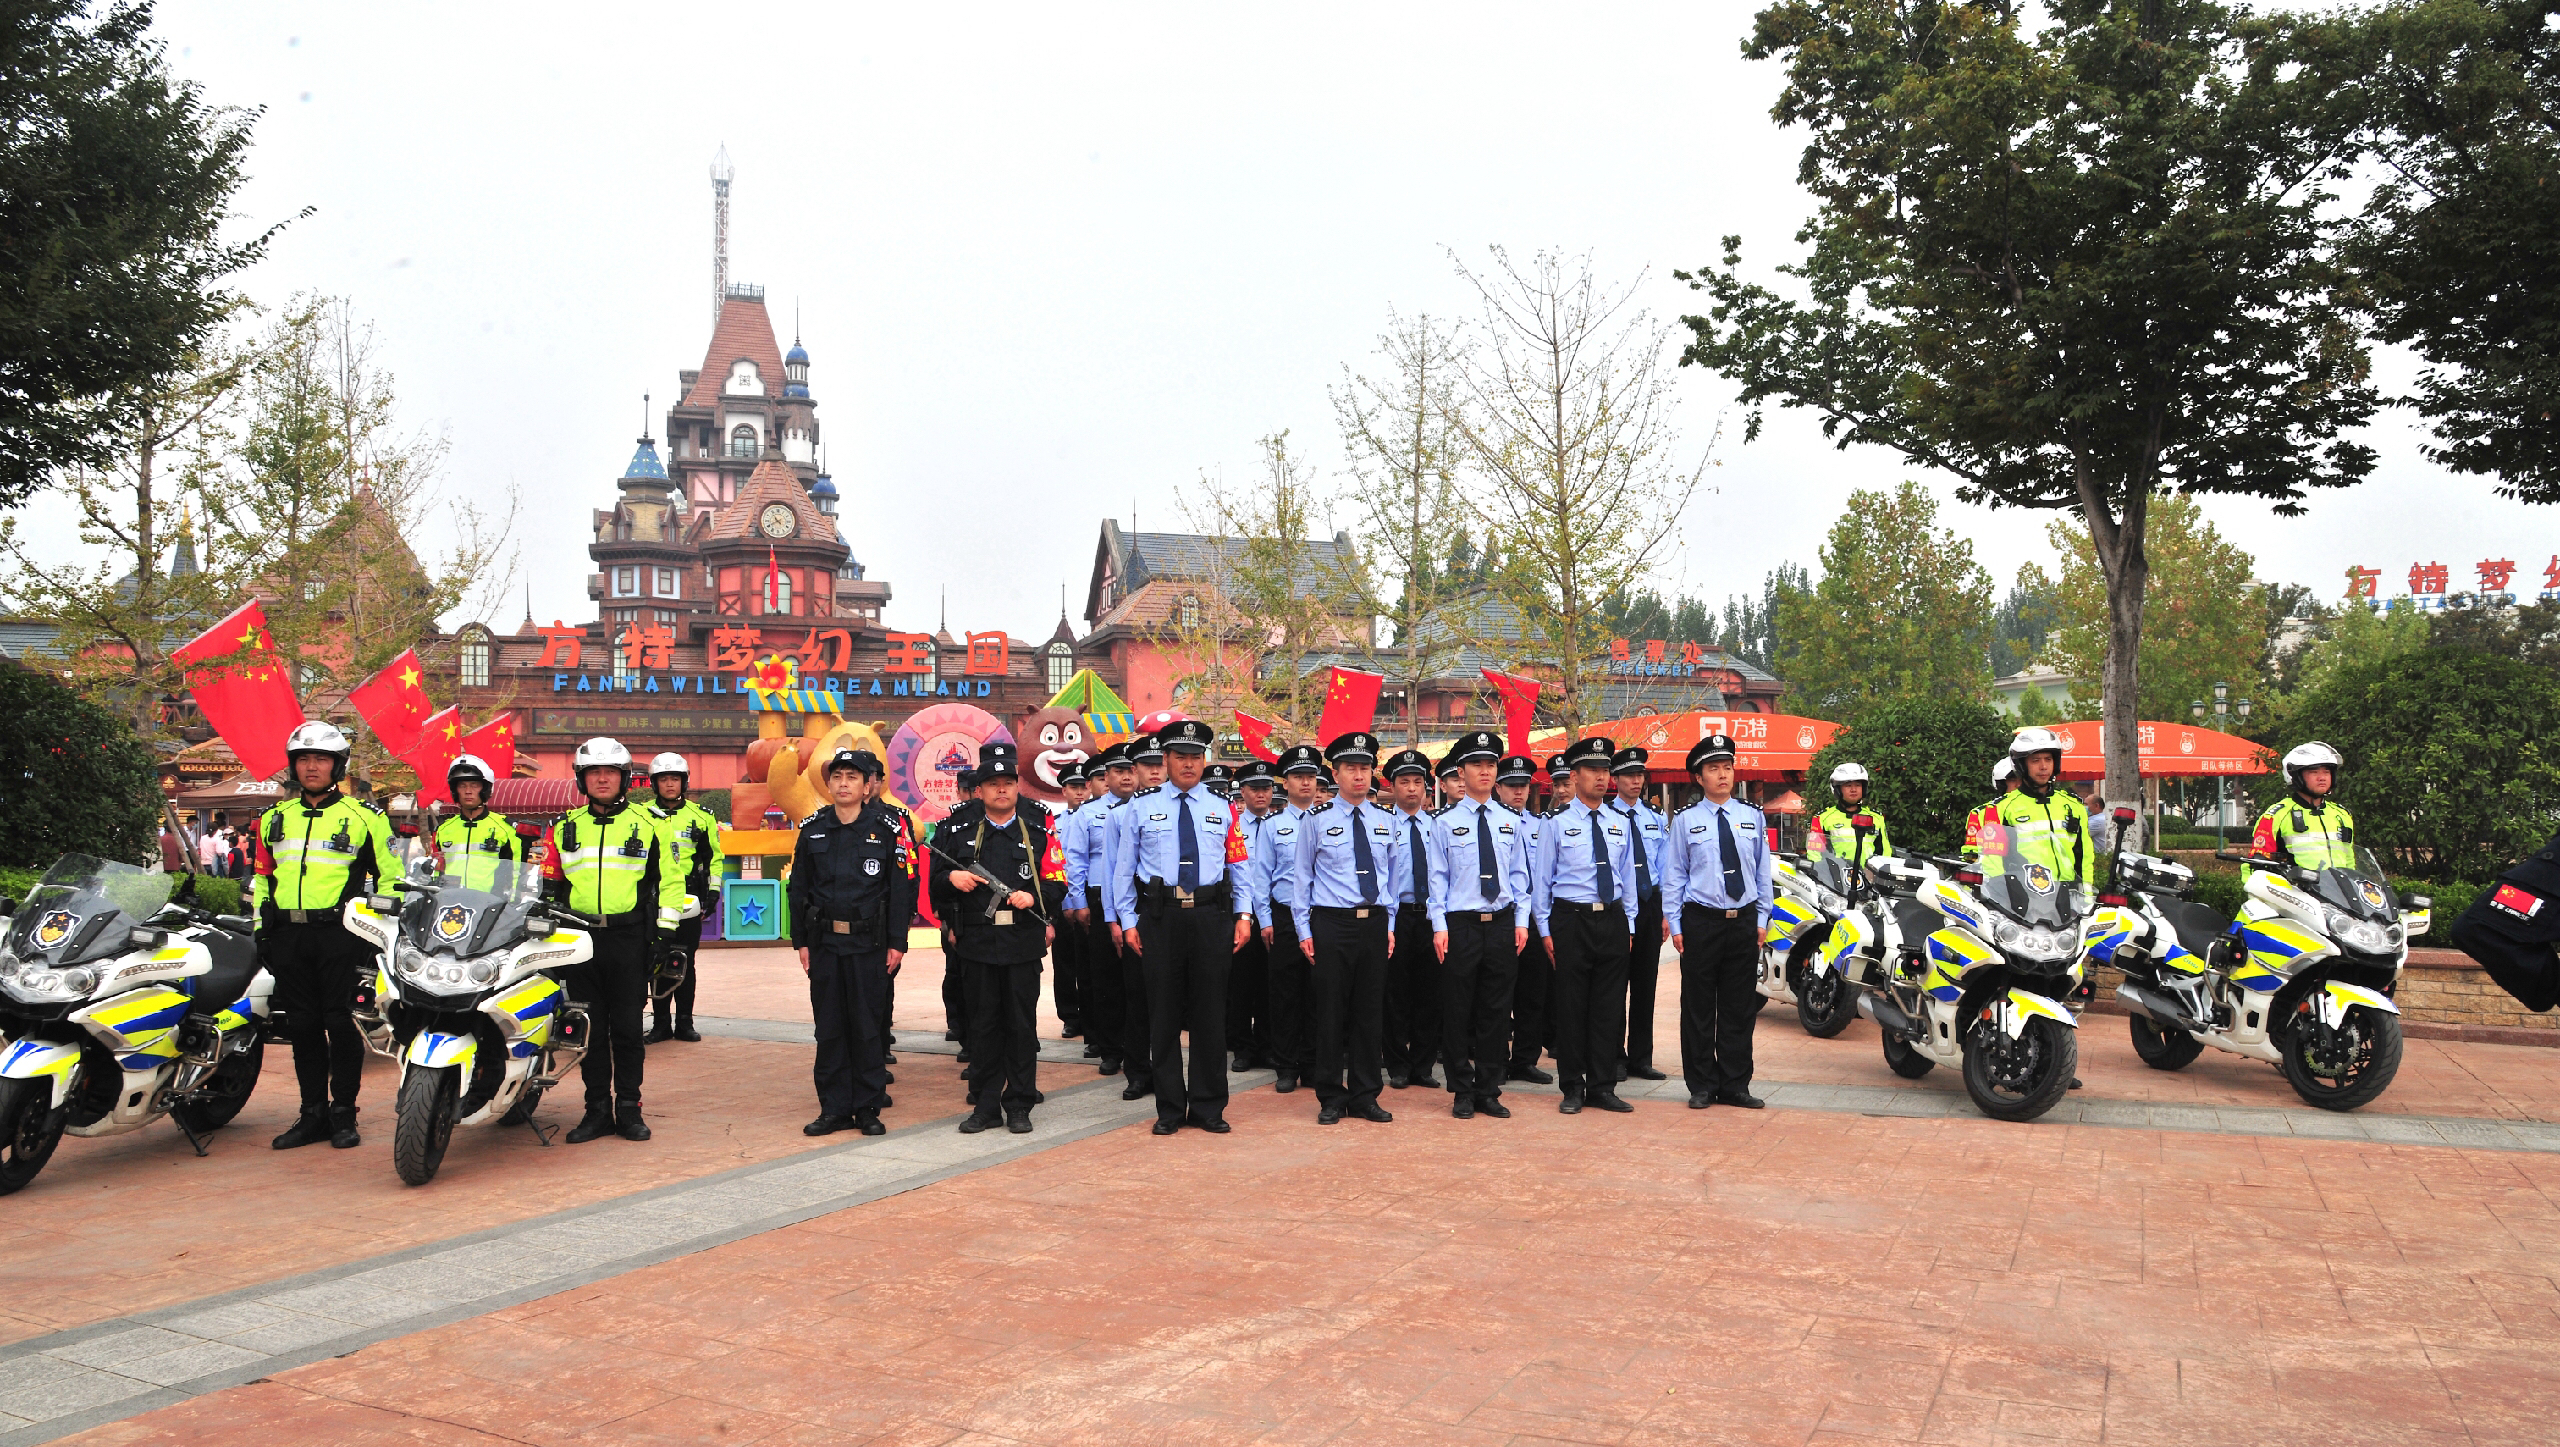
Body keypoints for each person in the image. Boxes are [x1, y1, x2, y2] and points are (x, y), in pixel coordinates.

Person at [253, 720, 395, 1150]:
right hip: (288, 937)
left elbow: (392, 882)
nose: (311, 767)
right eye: (303, 759)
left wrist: (376, 936)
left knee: (341, 1024)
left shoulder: (365, 818)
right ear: (293, 767)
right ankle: (310, 1113)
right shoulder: (273, 819)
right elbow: (262, 879)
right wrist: (263, 930)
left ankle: (343, 1114)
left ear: (338, 767)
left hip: (341, 937)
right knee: (303, 1027)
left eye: (321, 760)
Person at [1110, 719, 1253, 1134]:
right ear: (1166, 760)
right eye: (1179, 757)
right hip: (1160, 917)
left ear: (1204, 760)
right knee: (1164, 1015)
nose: (1188, 765)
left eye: (1195, 757)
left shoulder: (1222, 807)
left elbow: (1239, 865)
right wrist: (1127, 920)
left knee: (1211, 1014)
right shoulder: (1141, 806)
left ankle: (1209, 1107)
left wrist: (1243, 916)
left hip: (1211, 915)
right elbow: (1124, 870)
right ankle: (1170, 1109)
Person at [544, 737, 684, 1143]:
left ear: (624, 779)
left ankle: (629, 1109)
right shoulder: (564, 827)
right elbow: (551, 887)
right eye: (594, 773)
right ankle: (596, 1112)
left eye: (609, 773)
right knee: (589, 1028)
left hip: (629, 940)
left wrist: (664, 934)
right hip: (580, 941)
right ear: (581, 780)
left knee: (625, 1030)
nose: (602, 779)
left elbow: (671, 884)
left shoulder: (651, 824)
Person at [787, 748, 912, 1137]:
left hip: (869, 946)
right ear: (828, 784)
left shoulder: (888, 830)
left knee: (867, 1027)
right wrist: (801, 942)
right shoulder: (813, 830)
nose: (844, 783)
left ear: (867, 784)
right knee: (829, 1028)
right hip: (825, 944)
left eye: (852, 777)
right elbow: (799, 889)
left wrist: (897, 942)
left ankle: (868, 1108)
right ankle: (834, 1109)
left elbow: (900, 890)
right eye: (837, 776)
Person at [937, 744, 1058, 1134]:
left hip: (1022, 942)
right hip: (977, 943)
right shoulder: (960, 831)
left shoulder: (1039, 829)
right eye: (993, 784)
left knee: (1021, 1027)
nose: (1001, 790)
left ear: (1017, 786)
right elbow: (934, 881)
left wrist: (1034, 898)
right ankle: (985, 1105)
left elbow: (1058, 880)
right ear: (981, 789)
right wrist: (951, 878)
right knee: (983, 1026)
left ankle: (1019, 1104)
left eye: (1008, 783)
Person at [1290, 731, 1406, 1125]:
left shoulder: (1385, 821)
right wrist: (1303, 930)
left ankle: (1365, 1094)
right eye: (1351, 769)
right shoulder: (1316, 820)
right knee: (1331, 1012)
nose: (1359, 776)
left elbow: (1391, 880)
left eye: (1365, 768)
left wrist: (1389, 924)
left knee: (1370, 1012)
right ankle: (1330, 1096)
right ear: (1335, 774)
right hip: (1331, 923)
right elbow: (1301, 879)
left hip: (1373, 923)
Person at [1661, 733, 1776, 1110]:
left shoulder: (1752, 816)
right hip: (1701, 921)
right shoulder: (1685, 821)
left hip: (1742, 920)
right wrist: (1676, 926)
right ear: (1699, 777)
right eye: (1714, 769)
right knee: (1697, 1006)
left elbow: (1762, 872)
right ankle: (1701, 1084)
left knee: (1739, 1006)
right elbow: (1674, 875)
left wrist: (1761, 917)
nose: (1723, 775)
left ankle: (1735, 1084)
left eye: (1727, 767)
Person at [1533, 737, 1638, 1115]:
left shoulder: (1619, 823)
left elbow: (1627, 878)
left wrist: (1628, 925)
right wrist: (1545, 931)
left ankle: (1603, 1086)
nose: (1601, 777)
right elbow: (1542, 883)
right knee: (1572, 1007)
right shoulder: (1556, 824)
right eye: (1592, 770)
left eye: (1604, 770)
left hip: (1610, 919)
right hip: (1570, 920)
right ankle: (1572, 1088)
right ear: (1574, 776)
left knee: (1608, 1007)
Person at [1430, 731, 1529, 1120]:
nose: (1485, 772)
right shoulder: (1444, 823)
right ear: (1462, 772)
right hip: (1461, 924)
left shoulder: (1511, 822)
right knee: (1458, 1009)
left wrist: (1521, 922)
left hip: (1502, 923)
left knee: (1496, 1008)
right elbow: (1437, 879)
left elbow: (1520, 878)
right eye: (1477, 765)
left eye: (1491, 765)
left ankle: (1489, 1088)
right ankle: (1461, 1089)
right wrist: (1439, 925)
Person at [1102, 731, 1168, 1102]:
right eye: (1147, 765)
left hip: (1173, 911)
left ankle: (1166, 1069)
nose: (1155, 771)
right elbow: (1115, 871)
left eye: (1160, 764)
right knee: (1138, 997)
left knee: (1170, 998)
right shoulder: (1120, 815)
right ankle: (1138, 1072)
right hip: (1138, 910)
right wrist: (1116, 920)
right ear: (1135, 769)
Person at [641, 752, 722, 1044]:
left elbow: (714, 858)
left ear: (684, 782)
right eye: (664, 779)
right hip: (653, 898)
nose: (670, 784)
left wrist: (713, 894)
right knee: (657, 960)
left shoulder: (702, 817)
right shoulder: (642, 815)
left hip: (689, 898)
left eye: (675, 778)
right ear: (654, 783)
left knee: (686, 961)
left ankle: (685, 1022)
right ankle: (661, 1023)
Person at [1066, 743, 1135, 1076]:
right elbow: (1076, 860)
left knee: (1137, 977)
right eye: (1118, 771)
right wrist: (1077, 902)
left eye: (1128, 770)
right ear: (1106, 777)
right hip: (1098, 898)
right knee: (1105, 977)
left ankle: (1138, 1045)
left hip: (1139, 898)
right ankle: (1110, 1048)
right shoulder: (1087, 813)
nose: (1124, 776)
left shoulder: (1148, 807)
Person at [1258, 745, 1323, 1093]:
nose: (1306, 784)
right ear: (1285, 783)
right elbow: (1261, 876)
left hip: (1320, 917)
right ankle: (1286, 1066)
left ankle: (1312, 1064)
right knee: (1285, 994)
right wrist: (1265, 919)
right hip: (1283, 917)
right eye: (1298, 777)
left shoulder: (1328, 820)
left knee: (1317, 993)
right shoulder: (1273, 825)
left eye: (1311, 777)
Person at [1380, 747, 1443, 1091]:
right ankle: (1397, 1065)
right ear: (1393, 786)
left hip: (1431, 917)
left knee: (1429, 993)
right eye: (1404, 782)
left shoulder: (1438, 825)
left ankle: (1423, 1065)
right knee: (1395, 993)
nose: (1412, 789)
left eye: (1418, 782)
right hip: (1397, 917)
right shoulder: (1383, 824)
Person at [1610, 747, 1672, 1084]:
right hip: (1620, 907)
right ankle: (1614, 1056)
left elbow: (1663, 866)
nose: (1636, 781)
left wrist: (1664, 912)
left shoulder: (1655, 816)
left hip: (1649, 905)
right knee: (1616, 984)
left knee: (1646, 984)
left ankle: (1641, 1058)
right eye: (1629, 775)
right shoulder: (1606, 816)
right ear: (1615, 779)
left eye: (1640, 775)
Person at [1496, 754, 1555, 1086]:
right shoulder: (1490, 821)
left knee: (1533, 991)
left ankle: (1525, 1059)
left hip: (1535, 917)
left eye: (1523, 787)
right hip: (1503, 916)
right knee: (1500, 991)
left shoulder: (1540, 824)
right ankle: (1497, 1058)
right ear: (1499, 788)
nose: (1519, 793)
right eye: (1512, 786)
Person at [1978, 727, 2093, 884]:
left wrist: (2086, 900)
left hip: (2068, 899)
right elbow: (1993, 863)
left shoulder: (2073, 806)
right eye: (2035, 760)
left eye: (2048, 759)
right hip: (2022, 899)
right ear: (2021, 765)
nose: (2043, 766)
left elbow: (2085, 860)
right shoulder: (2000, 809)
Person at [1227, 758, 1279, 1071]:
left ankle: (1267, 1046)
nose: (1261, 794)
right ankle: (1242, 1049)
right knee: (1240, 984)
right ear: (1242, 792)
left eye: (1266, 788)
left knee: (1270, 984)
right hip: (1241, 915)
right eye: (1254, 789)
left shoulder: (1280, 826)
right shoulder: (1232, 827)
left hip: (1274, 915)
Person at [2251, 742, 2358, 871]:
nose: (2322, 778)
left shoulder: (2341, 815)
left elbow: (2349, 861)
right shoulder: (2276, 815)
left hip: (2336, 890)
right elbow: (2255, 865)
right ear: (2296, 777)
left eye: (2326, 772)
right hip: (2295, 889)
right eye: (2314, 772)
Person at [433, 754, 526, 893]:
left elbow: (516, 874)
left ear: (485, 789)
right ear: (455, 790)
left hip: (491, 907)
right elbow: (437, 871)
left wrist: (510, 908)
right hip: (450, 904)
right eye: (462, 786)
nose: (468, 791)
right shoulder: (443, 830)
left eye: (474, 785)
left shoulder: (506, 829)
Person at [1050, 760, 1091, 1042]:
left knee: (1089, 964)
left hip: (1090, 902)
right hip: (1063, 903)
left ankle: (1090, 1016)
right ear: (1063, 790)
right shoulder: (1054, 824)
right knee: (1064, 963)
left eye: (1082, 787)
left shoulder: (1098, 815)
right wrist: (1065, 905)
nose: (1079, 793)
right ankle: (1069, 1016)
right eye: (1073, 788)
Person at [1807, 762, 1893, 867]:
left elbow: (1885, 852)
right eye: (1848, 785)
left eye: (1857, 785)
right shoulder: (1822, 818)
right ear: (1838, 789)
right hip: (1835, 879)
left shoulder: (1876, 818)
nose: (1853, 789)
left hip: (1869, 878)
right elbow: (1814, 854)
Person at [1961, 759, 2018, 858]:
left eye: (2023, 780)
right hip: (1996, 872)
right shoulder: (1980, 813)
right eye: (2013, 780)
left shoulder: (2045, 806)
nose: (2019, 784)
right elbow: (1972, 855)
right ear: (2001, 783)